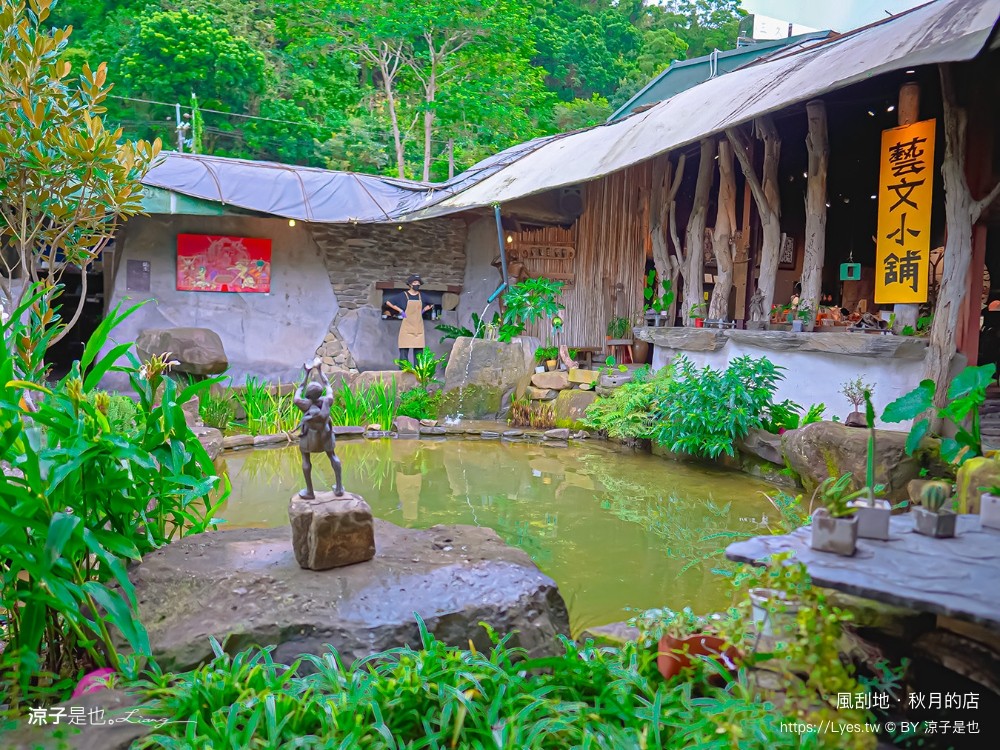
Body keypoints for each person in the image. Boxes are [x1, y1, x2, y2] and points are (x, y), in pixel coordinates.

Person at [293, 359, 344, 499]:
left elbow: (299, 390)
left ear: (308, 394)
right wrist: (320, 370)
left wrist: (306, 374)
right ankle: (339, 488)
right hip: (325, 434)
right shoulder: (327, 401)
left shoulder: (302, 403)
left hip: (309, 437)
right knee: (332, 456)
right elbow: (327, 384)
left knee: (306, 459)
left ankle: (310, 492)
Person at [386, 274, 432, 366]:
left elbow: (431, 304)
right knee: (404, 352)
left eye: (418, 283)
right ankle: (403, 374)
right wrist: (400, 311)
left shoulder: (422, 296)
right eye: (415, 282)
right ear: (410, 284)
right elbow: (388, 302)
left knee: (419, 353)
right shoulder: (403, 295)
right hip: (406, 328)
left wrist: (423, 310)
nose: (417, 284)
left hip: (418, 329)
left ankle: (418, 375)